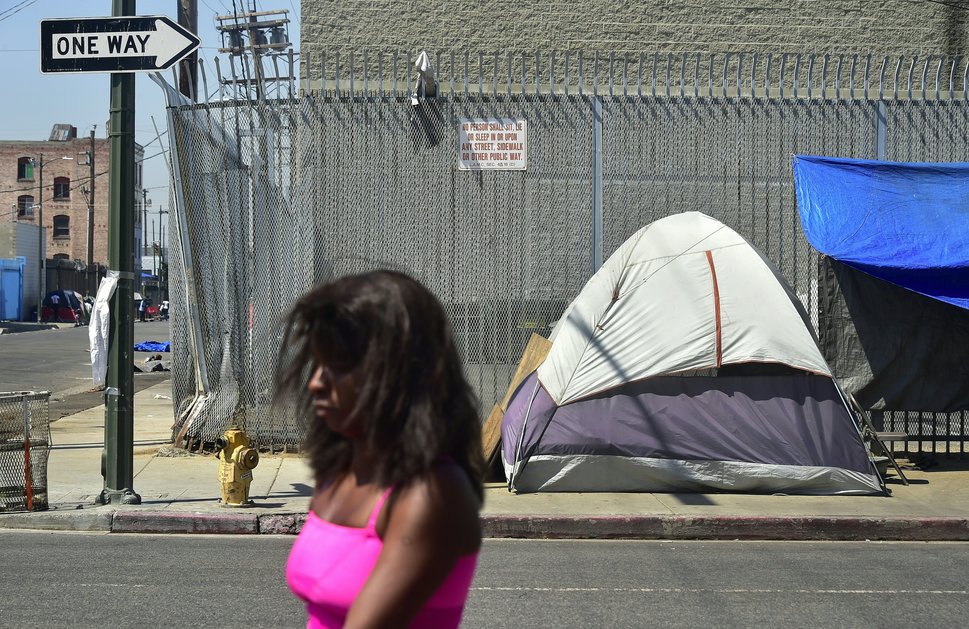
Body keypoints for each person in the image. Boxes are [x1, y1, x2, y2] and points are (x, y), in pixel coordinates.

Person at [277, 270, 484, 629]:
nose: (315, 383)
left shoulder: (430, 495)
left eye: (338, 366)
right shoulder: (340, 473)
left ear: (399, 372)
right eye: (317, 363)